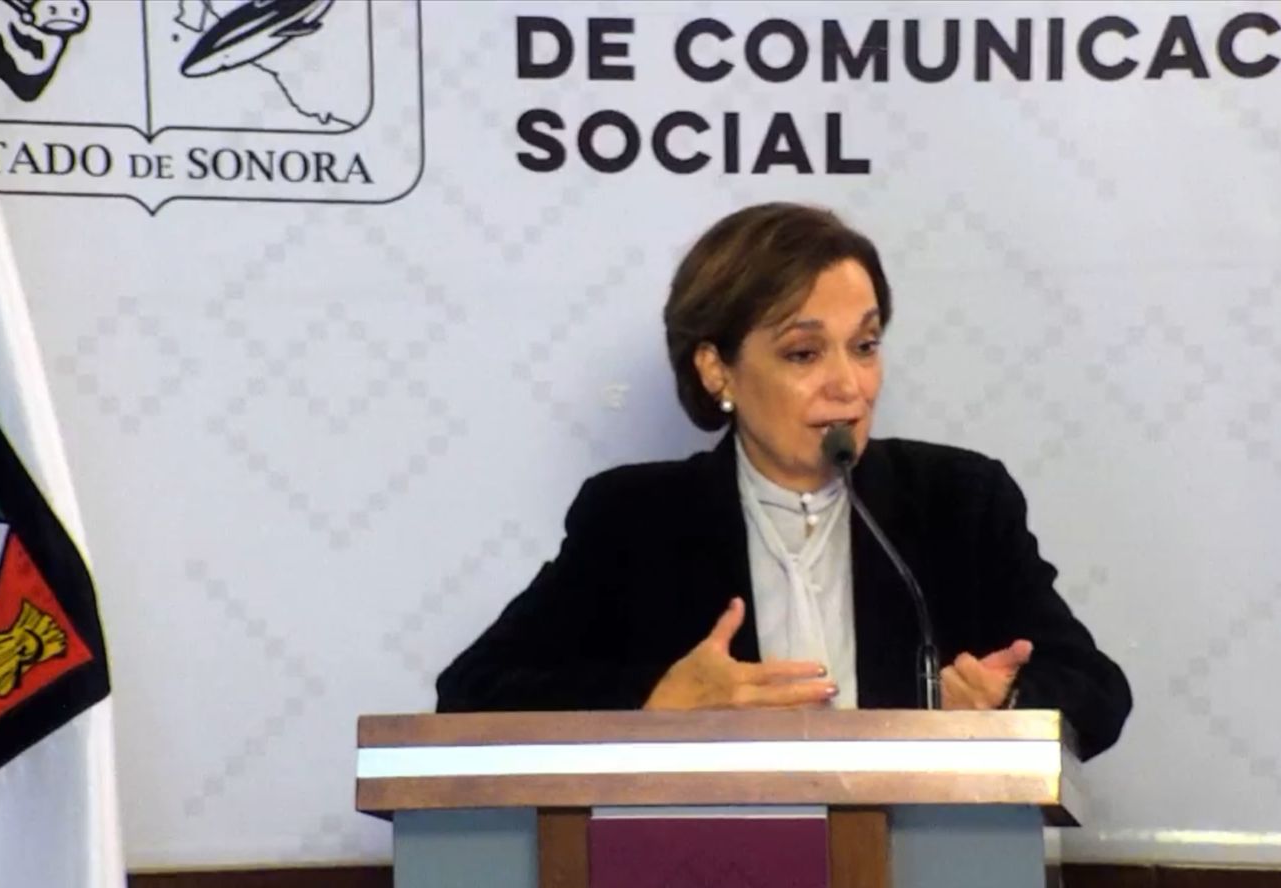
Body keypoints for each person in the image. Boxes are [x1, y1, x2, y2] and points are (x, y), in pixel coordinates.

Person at [436, 202, 1132, 759]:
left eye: (865, 346)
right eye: (804, 353)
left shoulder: (958, 502)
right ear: (718, 370)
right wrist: (657, 699)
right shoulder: (635, 518)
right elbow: (472, 693)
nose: (848, 385)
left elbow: (1096, 689)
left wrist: (1005, 703)